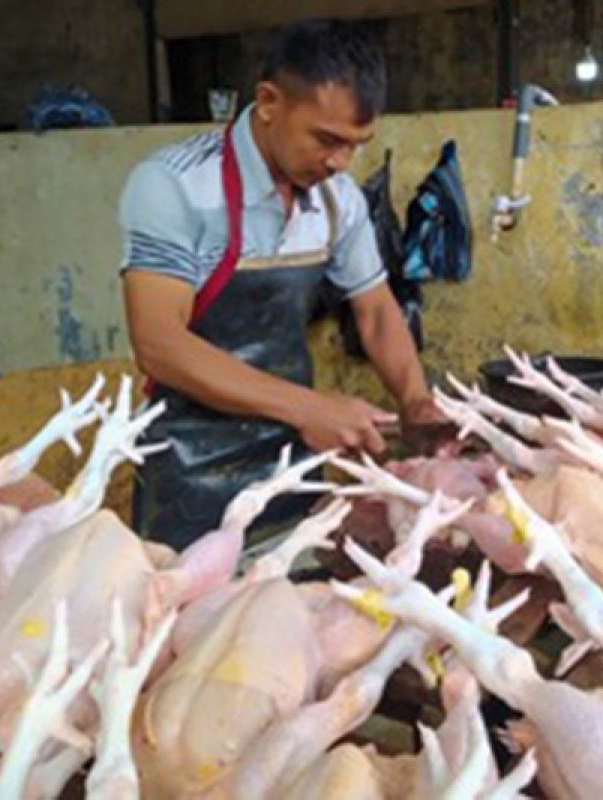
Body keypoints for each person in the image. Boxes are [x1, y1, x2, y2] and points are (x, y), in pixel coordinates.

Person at [117, 20, 441, 549]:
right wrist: (309, 407)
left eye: (356, 146)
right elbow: (159, 344)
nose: (340, 162)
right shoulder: (174, 185)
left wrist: (416, 400)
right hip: (188, 466)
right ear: (268, 102)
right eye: (327, 139)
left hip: (292, 460)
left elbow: (377, 311)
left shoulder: (339, 199)